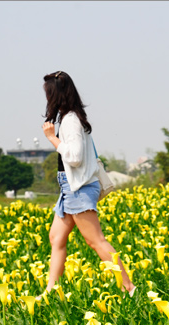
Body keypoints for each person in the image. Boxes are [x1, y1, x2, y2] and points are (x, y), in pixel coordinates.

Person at [41, 71, 135, 295]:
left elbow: (74, 157)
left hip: (79, 189)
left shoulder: (71, 121)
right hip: (70, 188)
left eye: (48, 93)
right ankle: (51, 292)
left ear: (56, 94)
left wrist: (52, 138)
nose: (46, 98)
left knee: (96, 241)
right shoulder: (68, 117)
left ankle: (129, 287)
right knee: (56, 237)